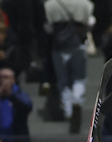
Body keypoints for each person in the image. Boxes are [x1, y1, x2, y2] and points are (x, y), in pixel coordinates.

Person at [43, 0, 93, 134]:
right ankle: (77, 101)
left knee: (63, 80)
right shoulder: (85, 4)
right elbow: (90, 23)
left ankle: (68, 110)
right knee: (79, 78)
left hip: (59, 46)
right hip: (77, 44)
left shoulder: (50, 4)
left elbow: (48, 28)